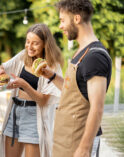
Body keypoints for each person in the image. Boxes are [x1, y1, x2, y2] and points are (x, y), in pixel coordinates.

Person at [40, 0, 112, 157]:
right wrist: (51, 76)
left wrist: (84, 148)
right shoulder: (81, 52)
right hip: (66, 140)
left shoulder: (95, 57)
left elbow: (97, 107)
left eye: (62, 20)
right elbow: (73, 91)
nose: (60, 26)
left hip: (79, 142)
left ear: (77, 19)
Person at [0, 23, 64, 157]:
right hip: (15, 111)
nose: (29, 47)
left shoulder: (52, 67)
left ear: (45, 44)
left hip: (33, 116)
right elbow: (3, 67)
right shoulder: (23, 56)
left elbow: (43, 101)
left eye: (35, 43)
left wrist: (24, 85)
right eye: (27, 41)